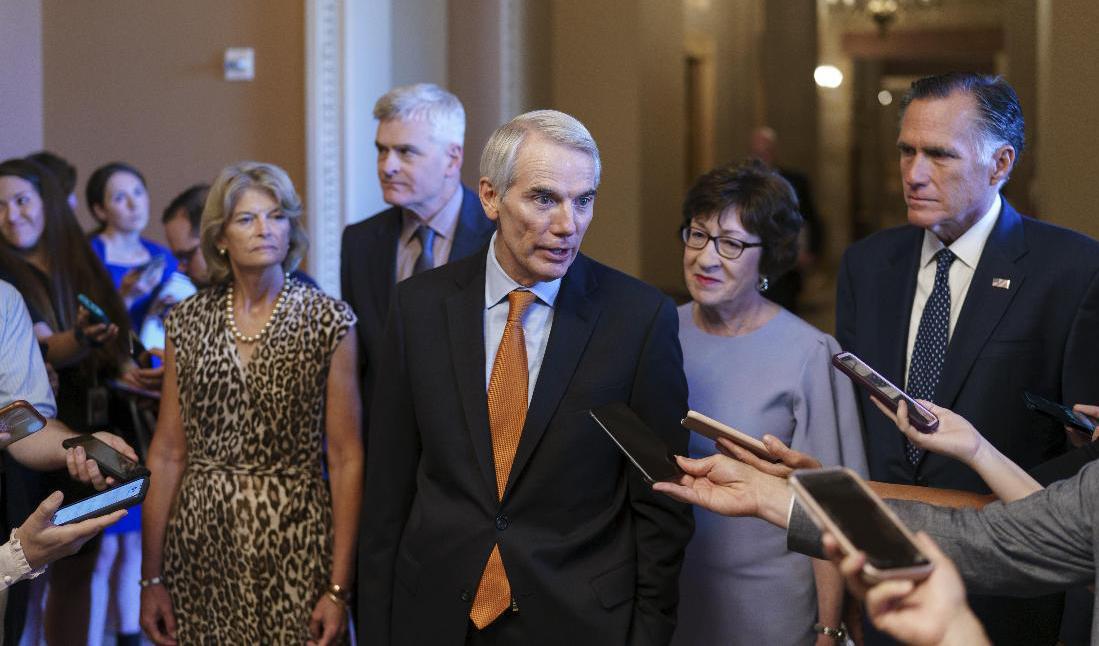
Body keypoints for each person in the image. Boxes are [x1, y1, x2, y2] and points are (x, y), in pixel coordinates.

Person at [359, 109, 693, 644]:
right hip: (436, 613)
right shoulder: (419, 307)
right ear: (490, 197)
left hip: (578, 619)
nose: (569, 224)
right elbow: (388, 492)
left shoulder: (638, 318)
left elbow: (662, 505)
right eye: (544, 198)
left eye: (584, 200)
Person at [835, 72, 1099, 643]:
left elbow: (1084, 454)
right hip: (891, 577)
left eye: (939, 155)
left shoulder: (1073, 270)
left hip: (1012, 589)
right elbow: (862, 431)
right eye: (906, 151)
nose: (913, 174)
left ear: (1000, 164)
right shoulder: (866, 266)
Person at [140, 161, 362, 645]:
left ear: (291, 229)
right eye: (246, 219)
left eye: (277, 216)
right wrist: (150, 578)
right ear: (220, 236)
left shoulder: (329, 320)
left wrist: (339, 588)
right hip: (199, 544)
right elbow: (167, 451)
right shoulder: (187, 321)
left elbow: (346, 458)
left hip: (297, 540)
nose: (265, 229)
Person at [671, 160, 866, 646]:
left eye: (732, 244)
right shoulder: (657, 333)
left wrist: (828, 626)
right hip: (670, 595)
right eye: (697, 235)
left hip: (769, 606)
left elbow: (831, 504)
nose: (705, 258)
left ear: (770, 257)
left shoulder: (810, 354)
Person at [0, 157, 134, 645]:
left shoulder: (19, 293)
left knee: (70, 563)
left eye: (21, 201)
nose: (12, 215)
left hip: (71, 425)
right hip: (25, 460)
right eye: (0, 205)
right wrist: (75, 339)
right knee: (22, 572)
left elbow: (16, 417)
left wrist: (82, 443)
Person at [339, 83, 494, 453]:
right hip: (387, 452)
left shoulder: (499, 238)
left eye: (405, 152)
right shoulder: (360, 243)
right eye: (381, 150)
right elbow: (363, 365)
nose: (387, 166)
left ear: (452, 159)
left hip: (477, 453)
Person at [86, 162, 179, 330]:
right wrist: (126, 298)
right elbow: (88, 324)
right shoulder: (88, 254)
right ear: (100, 210)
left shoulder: (162, 254)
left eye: (138, 192)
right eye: (120, 198)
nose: (134, 204)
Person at [747, 127, 823, 314]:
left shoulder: (795, 182)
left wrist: (810, 252)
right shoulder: (743, 184)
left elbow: (811, 217)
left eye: (765, 152)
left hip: (786, 269)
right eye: (757, 153)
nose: (762, 158)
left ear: (773, 152)